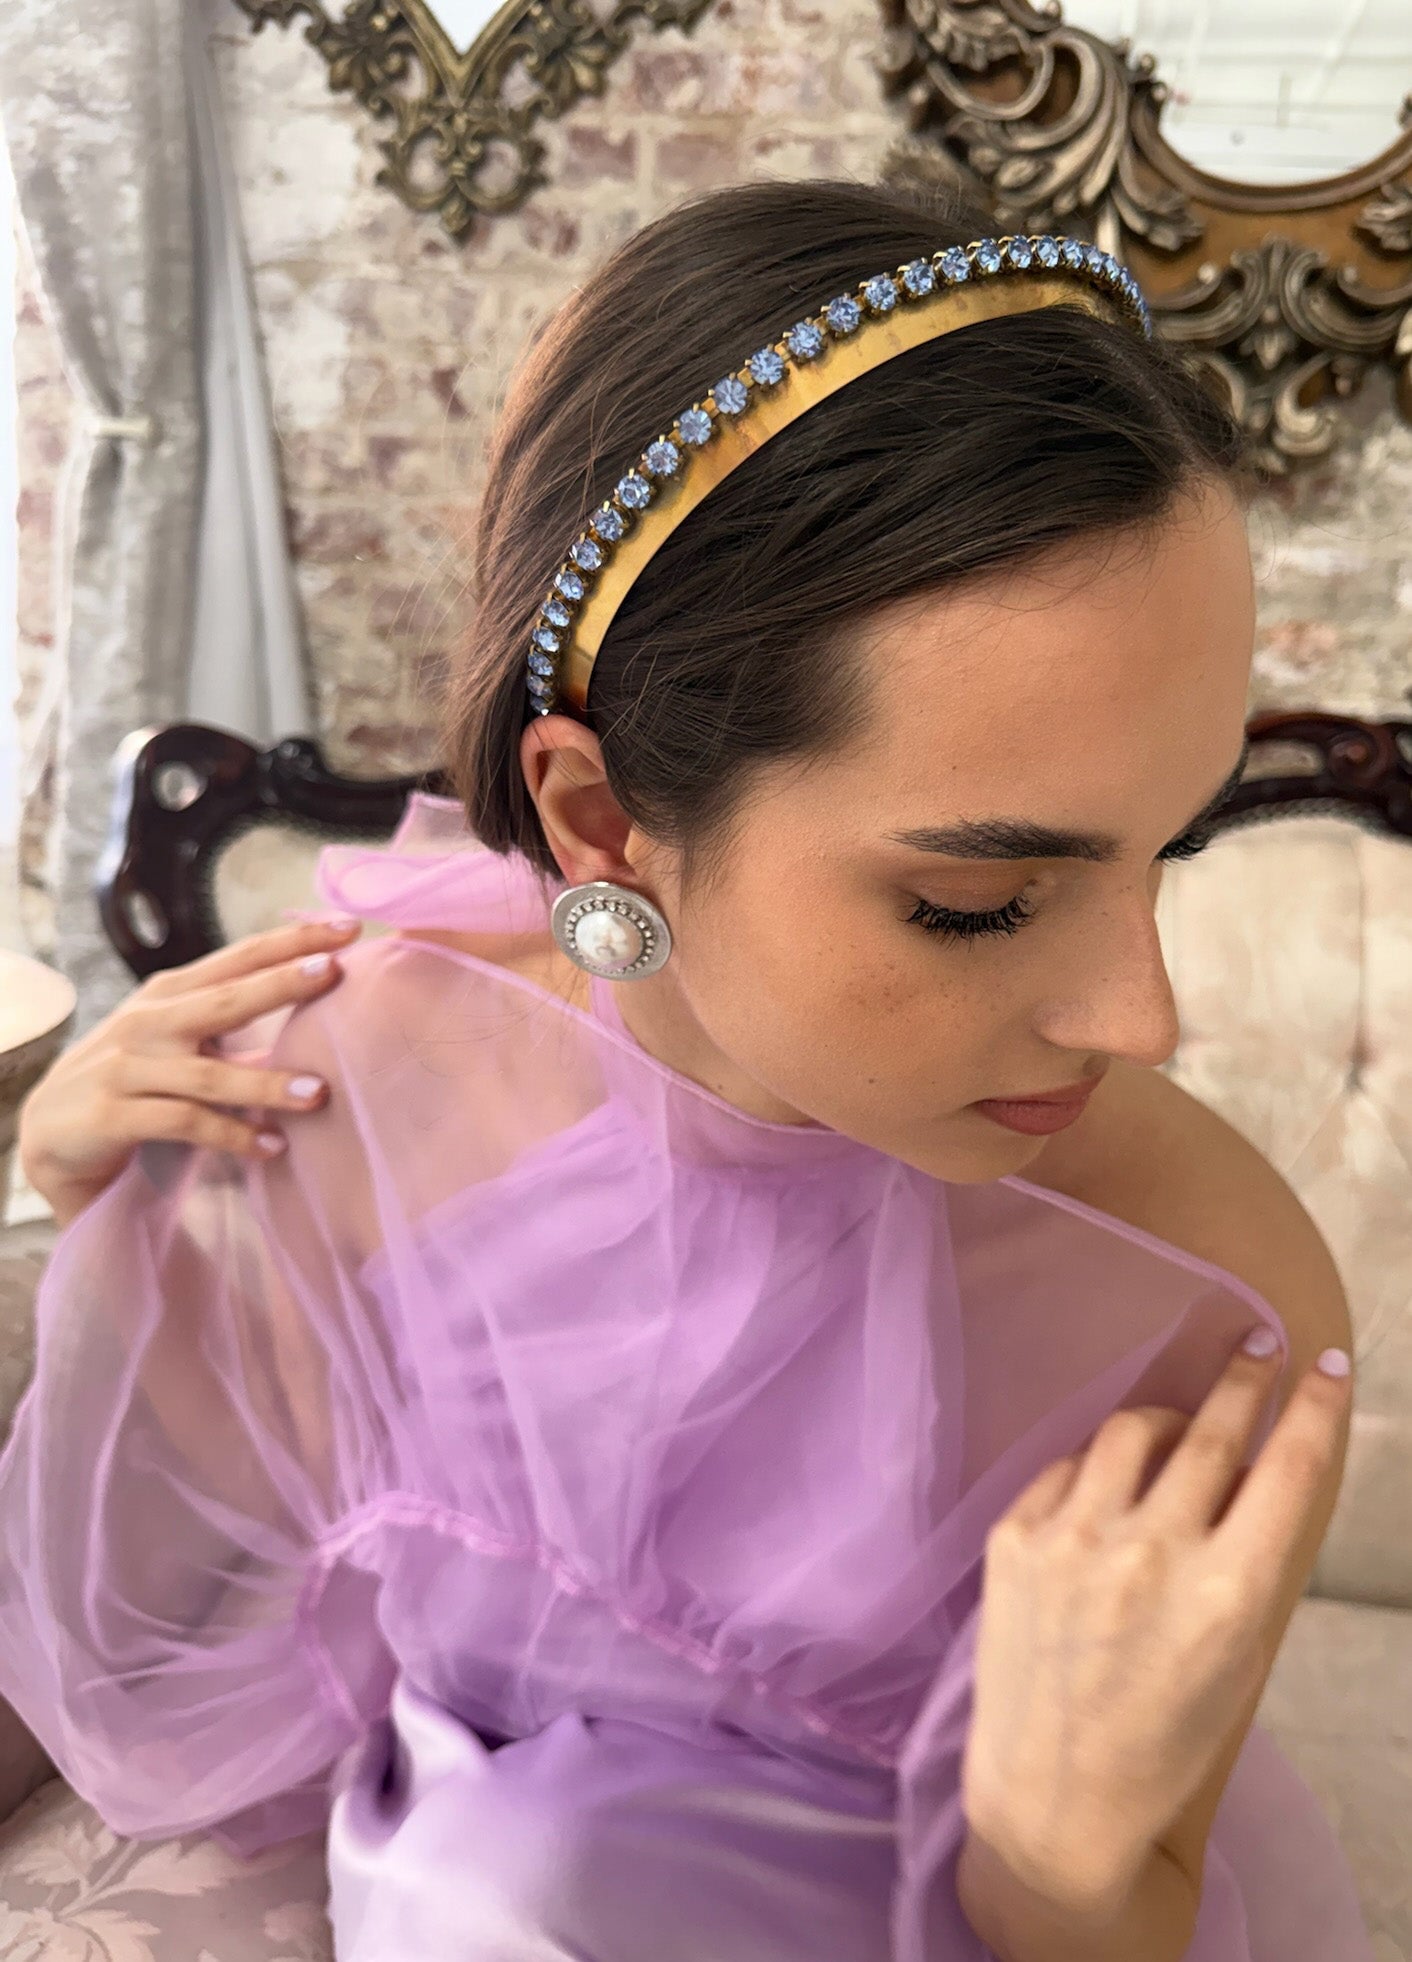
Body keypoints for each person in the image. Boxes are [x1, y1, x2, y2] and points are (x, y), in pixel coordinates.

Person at [0, 176, 1370, 1962]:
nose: (1144, 1018)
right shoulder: (358, 1086)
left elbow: (1122, 1909)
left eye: (1168, 845)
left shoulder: (1210, 1302)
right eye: (980, 901)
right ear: (599, 819)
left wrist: (1056, 1858)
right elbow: (155, 1616)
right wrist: (114, 1230)